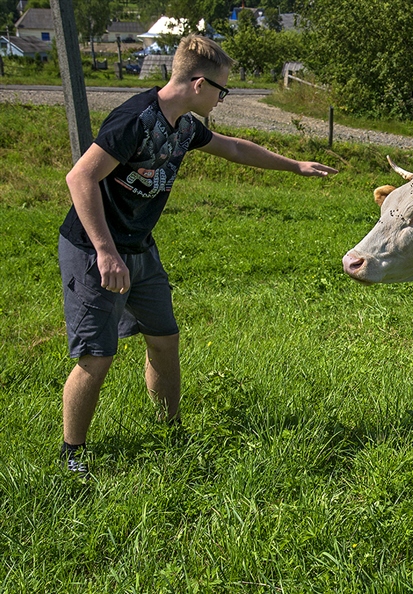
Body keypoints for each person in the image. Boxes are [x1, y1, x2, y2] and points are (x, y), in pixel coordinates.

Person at [58, 35, 337, 477]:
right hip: (95, 249)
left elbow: (234, 147)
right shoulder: (136, 119)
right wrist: (106, 252)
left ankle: (169, 431)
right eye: (222, 90)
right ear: (199, 84)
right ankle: (72, 453)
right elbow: (80, 178)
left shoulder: (184, 126)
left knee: (164, 339)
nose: (222, 99)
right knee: (97, 355)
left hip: (140, 248)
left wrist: (296, 166)